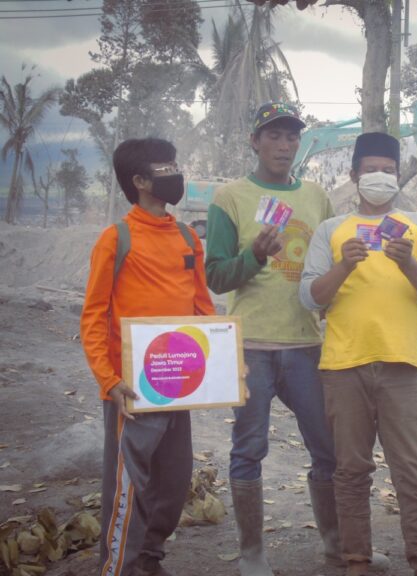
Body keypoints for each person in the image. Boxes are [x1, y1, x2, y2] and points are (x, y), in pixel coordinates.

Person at [205, 102, 386, 576]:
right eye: (274, 136)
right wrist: (254, 256)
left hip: (306, 346)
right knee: (249, 449)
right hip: (250, 346)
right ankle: (251, 553)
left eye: (291, 137)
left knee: (327, 448)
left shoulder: (316, 197)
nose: (284, 145)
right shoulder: (230, 197)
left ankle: (335, 544)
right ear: (255, 141)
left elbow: (328, 270)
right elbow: (216, 276)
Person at [299, 132, 417, 576]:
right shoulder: (332, 230)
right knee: (350, 471)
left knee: (414, 472)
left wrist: (407, 263)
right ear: (354, 175)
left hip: (401, 366)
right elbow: (309, 297)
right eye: (371, 170)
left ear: (399, 175)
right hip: (343, 366)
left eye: (388, 170)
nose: (380, 177)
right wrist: (344, 264)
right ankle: (356, 561)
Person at [81, 138, 216, 576]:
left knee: (173, 484)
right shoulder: (115, 239)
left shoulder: (187, 236)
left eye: (175, 164)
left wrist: (222, 363)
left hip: (178, 383)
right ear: (139, 181)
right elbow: (93, 316)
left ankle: (149, 560)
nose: (175, 173)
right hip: (132, 391)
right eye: (164, 168)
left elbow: (202, 309)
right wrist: (109, 381)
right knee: (128, 487)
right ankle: (117, 568)